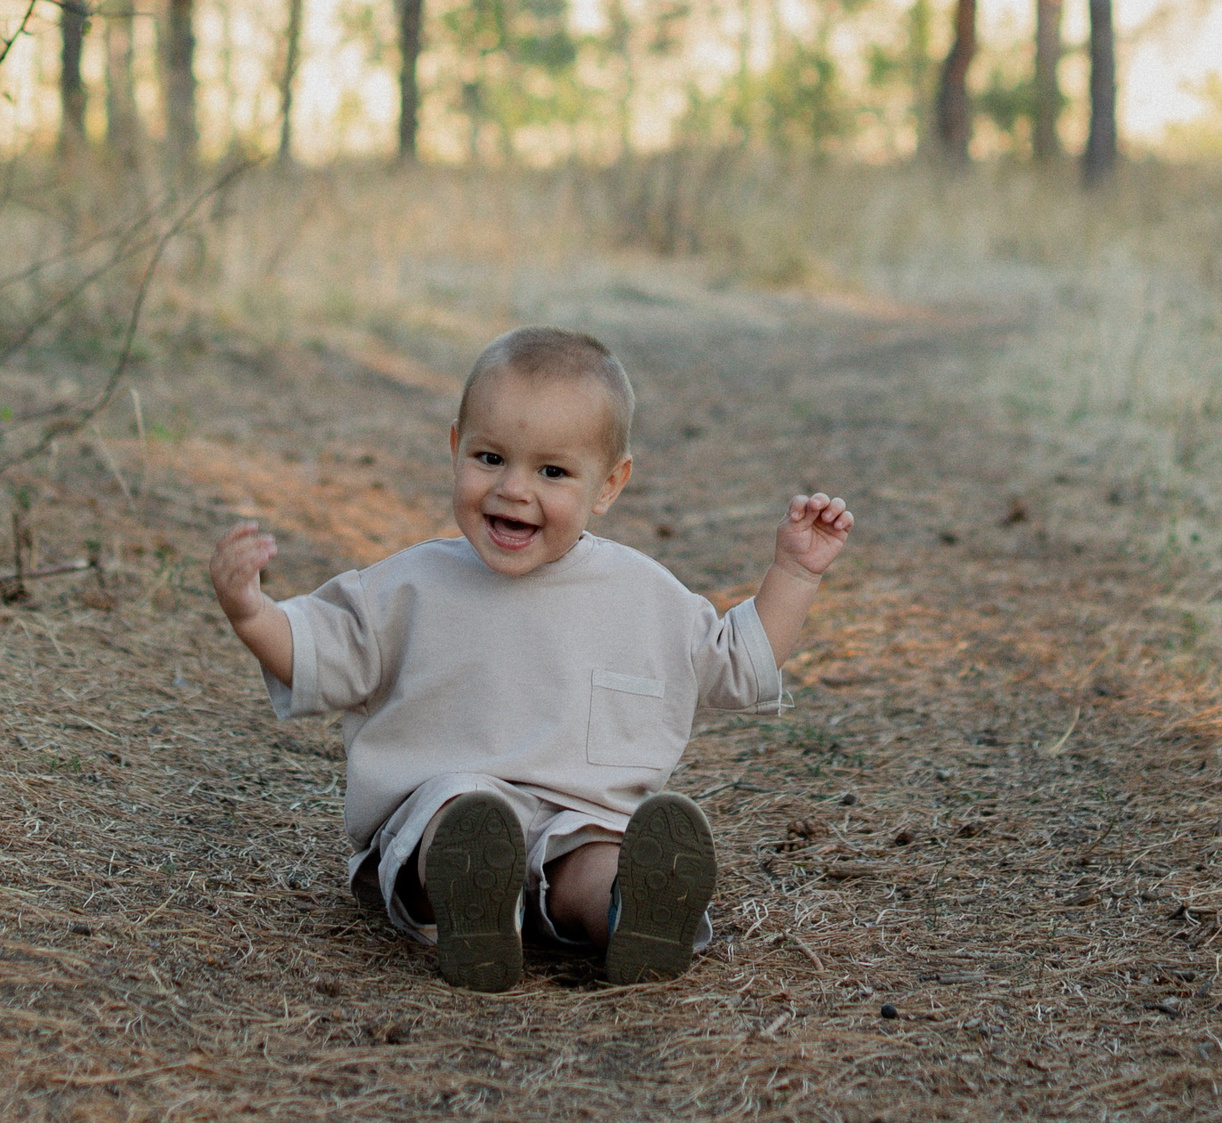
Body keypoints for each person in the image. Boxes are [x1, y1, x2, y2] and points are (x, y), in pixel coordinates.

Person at [208, 325, 854, 992]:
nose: (513, 489)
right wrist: (253, 613)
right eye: (490, 457)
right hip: (447, 808)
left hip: (578, 820)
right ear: (456, 446)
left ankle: (631, 912)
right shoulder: (407, 587)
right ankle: (472, 909)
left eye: (551, 471)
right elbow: (316, 650)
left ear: (608, 484)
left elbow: (741, 663)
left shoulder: (645, 595)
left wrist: (795, 576)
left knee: (599, 857)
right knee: (454, 822)